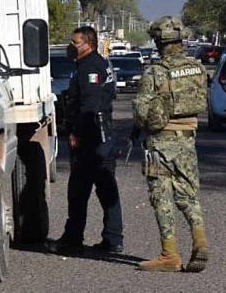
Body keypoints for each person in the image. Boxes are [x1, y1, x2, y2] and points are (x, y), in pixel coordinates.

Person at [130, 16, 209, 272]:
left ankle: (170, 255)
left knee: (161, 196)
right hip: (188, 141)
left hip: (160, 144)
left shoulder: (155, 72)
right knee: (188, 196)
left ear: (157, 42)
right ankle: (200, 242)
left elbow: (142, 113)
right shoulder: (197, 68)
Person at [47, 26, 124, 254]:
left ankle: (73, 239)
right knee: (106, 187)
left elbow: (90, 105)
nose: (71, 46)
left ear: (87, 43)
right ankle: (113, 238)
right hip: (103, 133)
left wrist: (77, 133)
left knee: (80, 190)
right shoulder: (97, 63)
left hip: (92, 136)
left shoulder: (90, 66)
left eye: (75, 42)